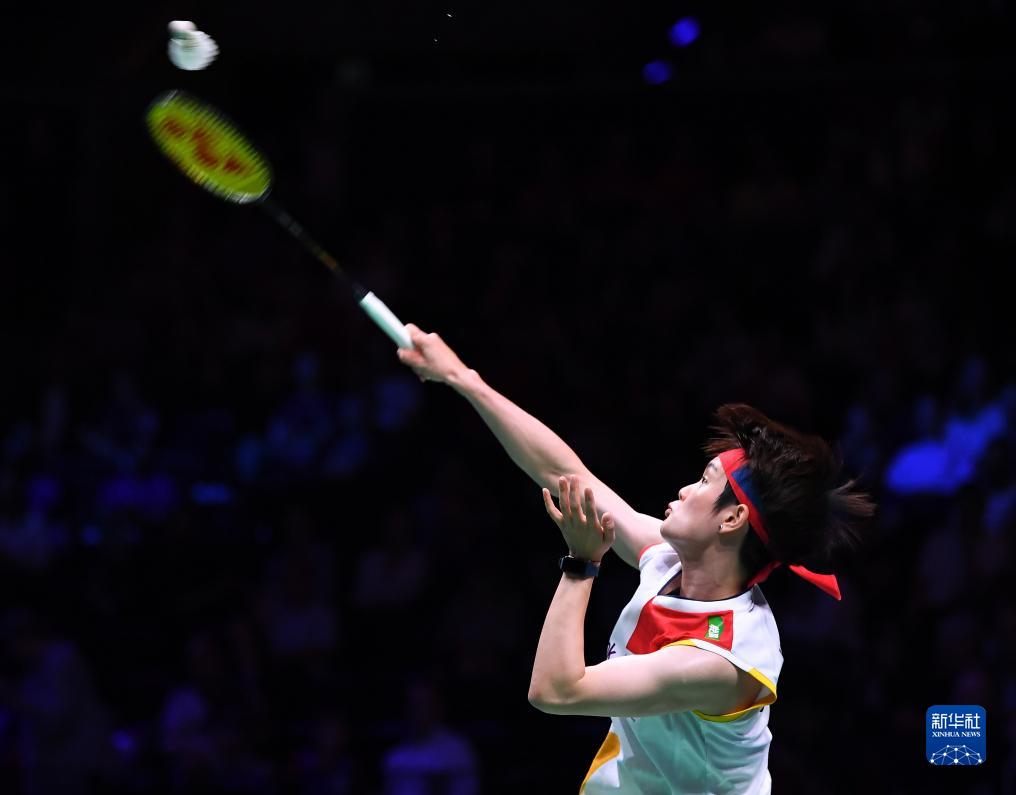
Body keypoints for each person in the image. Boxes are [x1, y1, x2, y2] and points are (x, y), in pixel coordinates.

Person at [396, 325, 874, 794]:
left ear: (732, 520)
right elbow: (564, 473)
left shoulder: (721, 660)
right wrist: (462, 378)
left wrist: (582, 564)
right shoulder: (671, 562)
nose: (684, 489)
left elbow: (555, 691)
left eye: (704, 481)